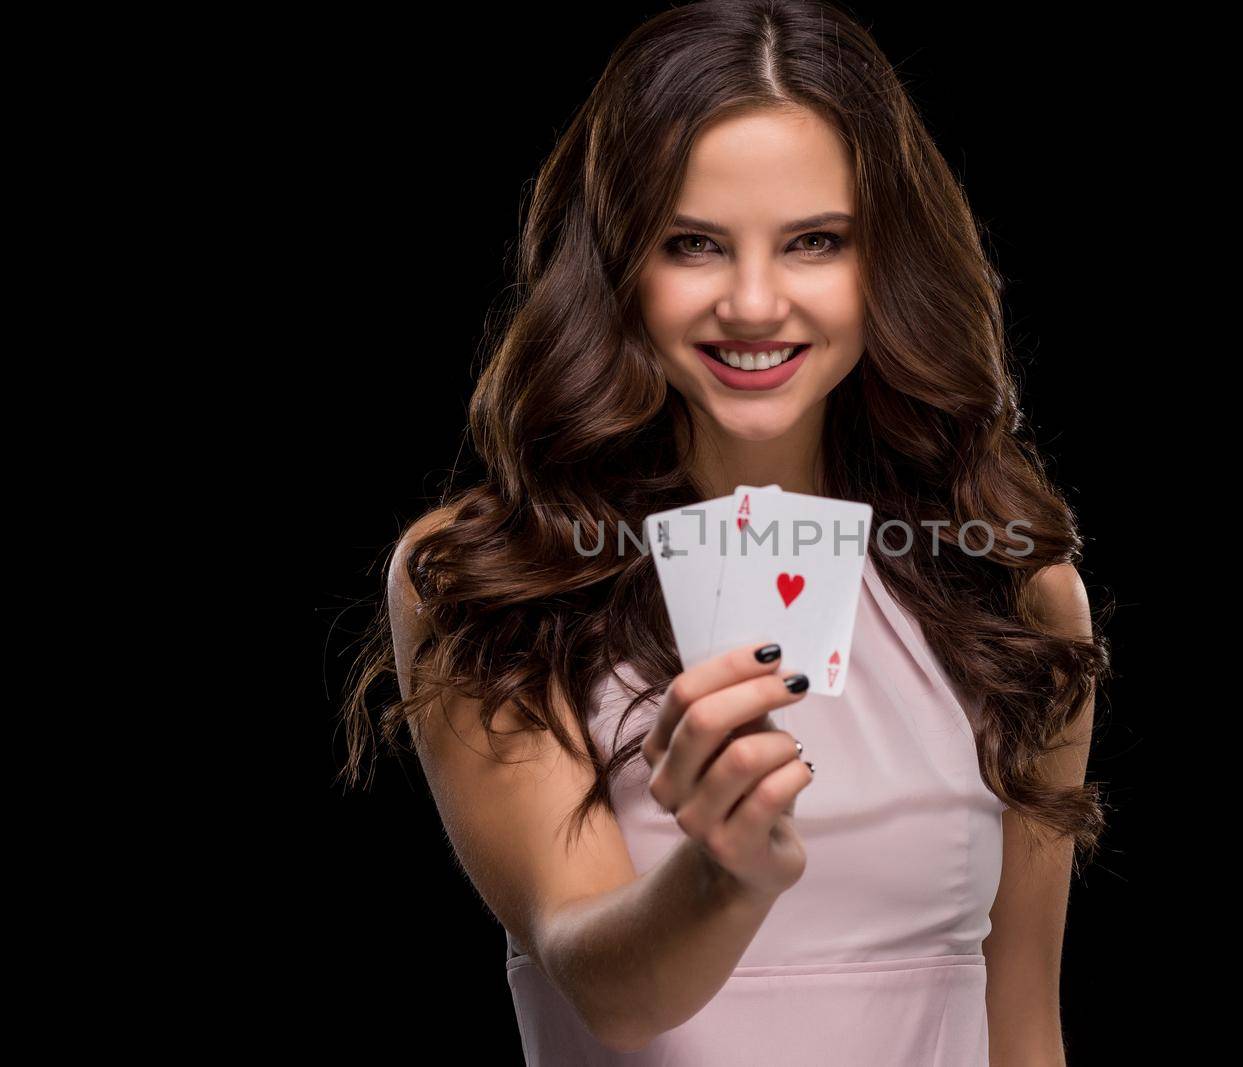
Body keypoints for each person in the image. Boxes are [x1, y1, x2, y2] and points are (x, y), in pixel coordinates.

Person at [339, 1, 1109, 1063]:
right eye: (692, 243)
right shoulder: (490, 584)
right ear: (615, 264)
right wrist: (724, 871)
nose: (754, 302)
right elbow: (598, 981)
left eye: (814, 242)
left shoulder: (1010, 598)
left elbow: (1024, 1025)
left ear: (884, 264)